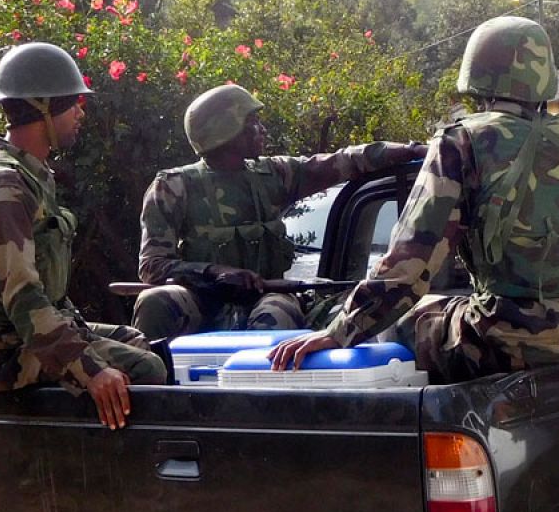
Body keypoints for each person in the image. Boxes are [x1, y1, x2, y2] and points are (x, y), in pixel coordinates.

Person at [269, 16, 559, 381]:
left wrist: (339, 332)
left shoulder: (463, 141)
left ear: (479, 76)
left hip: (500, 341)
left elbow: (409, 267)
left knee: (406, 322)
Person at [0, 42, 165, 430]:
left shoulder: (28, 174)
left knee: (136, 340)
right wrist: (90, 371)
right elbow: (22, 297)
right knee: (145, 369)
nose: (80, 112)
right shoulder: (2, 186)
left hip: (19, 336)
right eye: (72, 102)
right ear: (43, 108)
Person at [132, 85, 426, 341]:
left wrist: (410, 151)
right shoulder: (173, 187)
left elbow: (340, 162)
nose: (262, 130)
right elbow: (153, 267)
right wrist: (213, 272)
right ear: (227, 129)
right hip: (201, 298)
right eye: (253, 122)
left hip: (269, 293)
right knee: (155, 301)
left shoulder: (274, 174)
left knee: (275, 314)